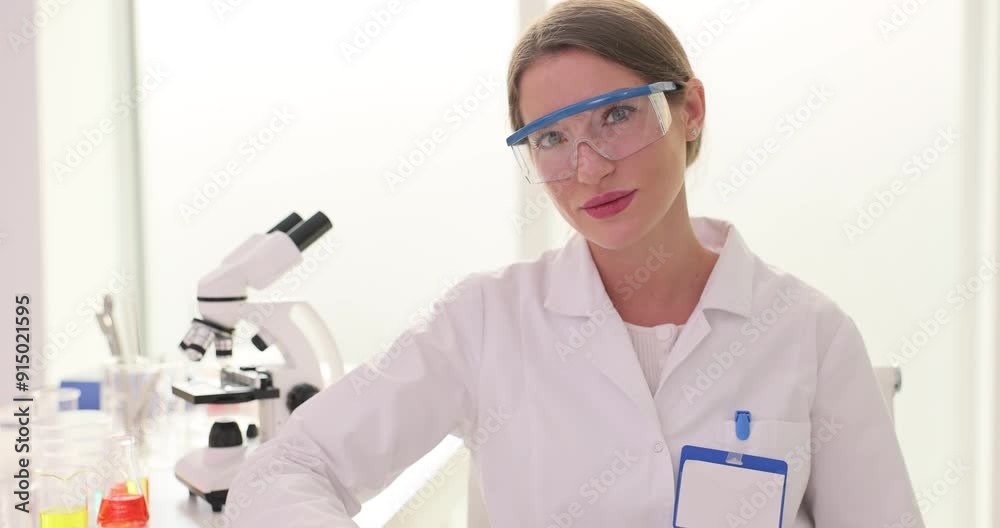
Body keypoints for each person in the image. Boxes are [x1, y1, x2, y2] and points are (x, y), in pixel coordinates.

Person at [227, 0, 923, 526]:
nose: (588, 167)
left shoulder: (808, 334)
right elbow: (286, 468)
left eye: (616, 115)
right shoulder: (484, 321)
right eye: (552, 138)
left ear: (691, 110)